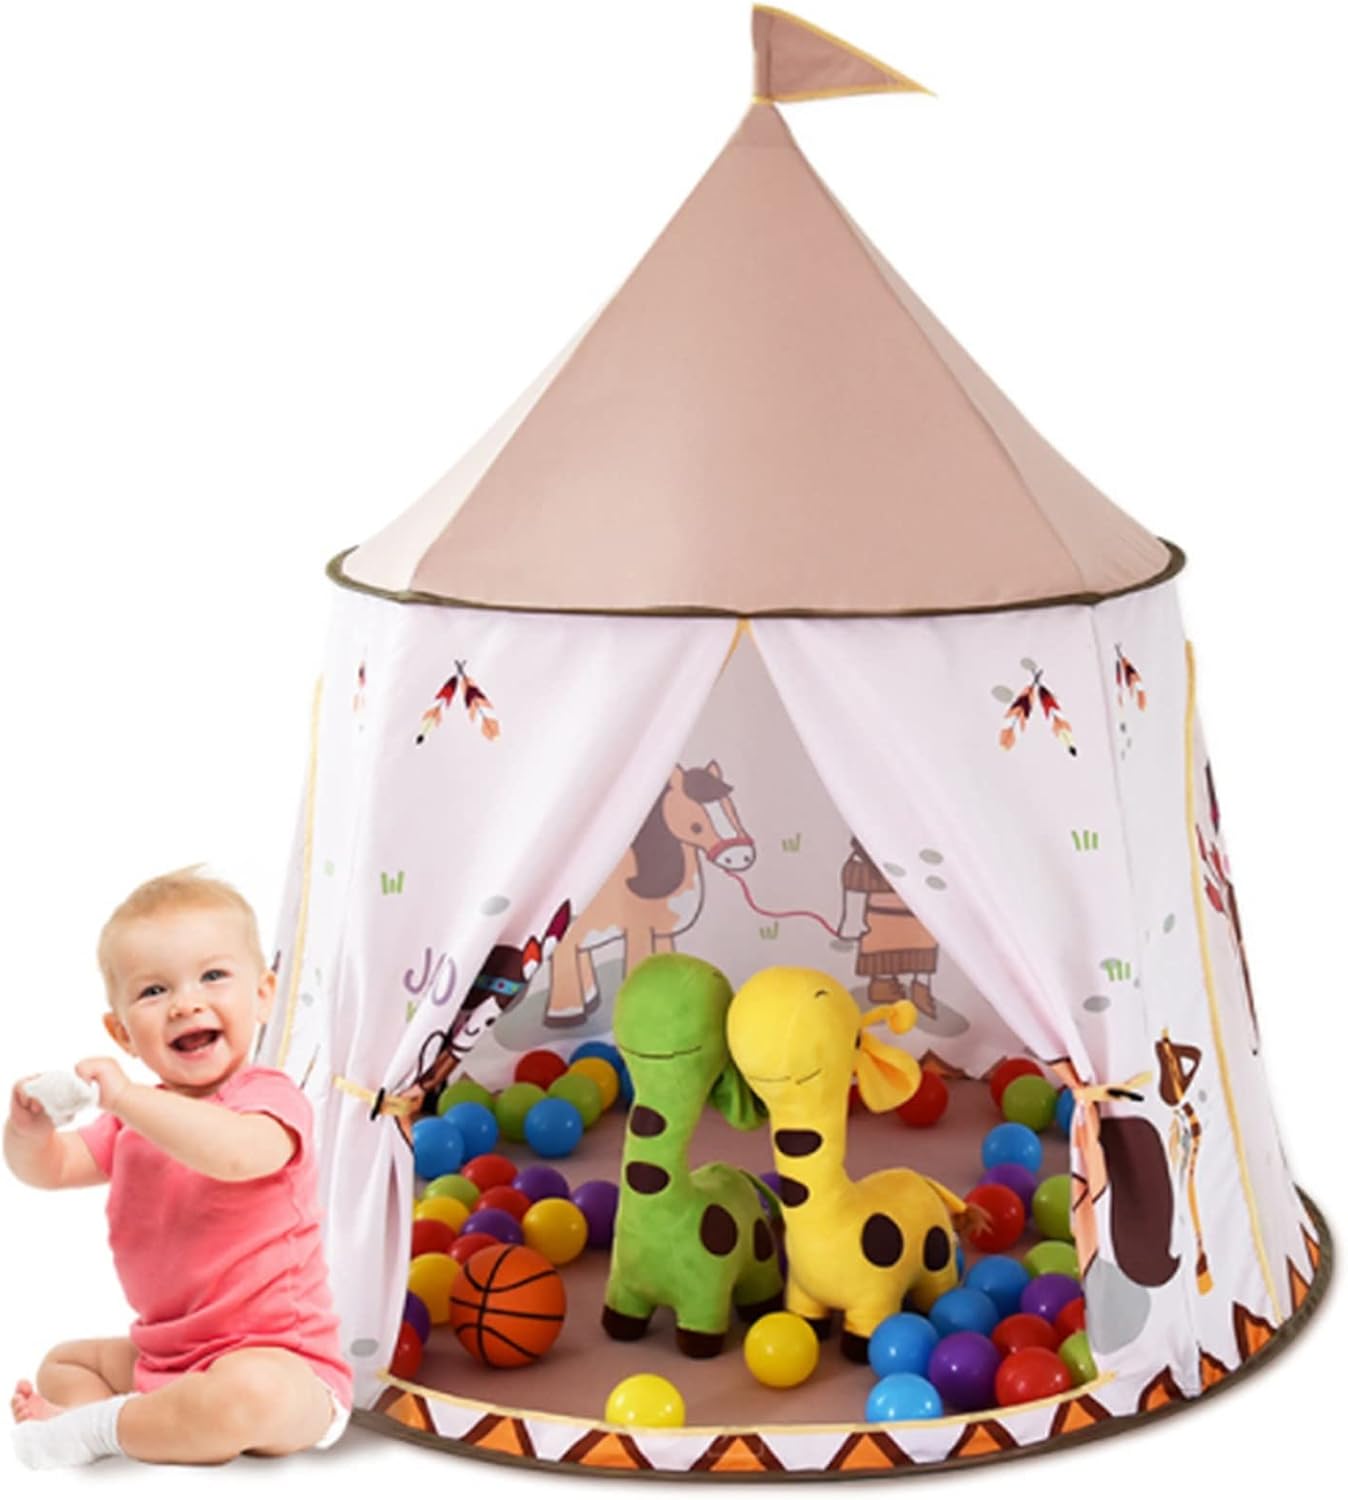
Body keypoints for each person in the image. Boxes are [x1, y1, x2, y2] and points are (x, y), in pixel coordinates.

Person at [6, 868, 351, 1468]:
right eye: (153, 991)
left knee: (248, 1396)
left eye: (213, 976)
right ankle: (135, 1421)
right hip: (166, 1358)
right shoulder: (132, 1122)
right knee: (64, 1363)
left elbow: (235, 1154)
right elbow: (52, 1168)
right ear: (122, 1033)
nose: (186, 1003)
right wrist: (27, 1132)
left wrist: (126, 1098)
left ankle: (101, 1429)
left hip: (282, 1362)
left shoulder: (270, 1098)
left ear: (262, 995)